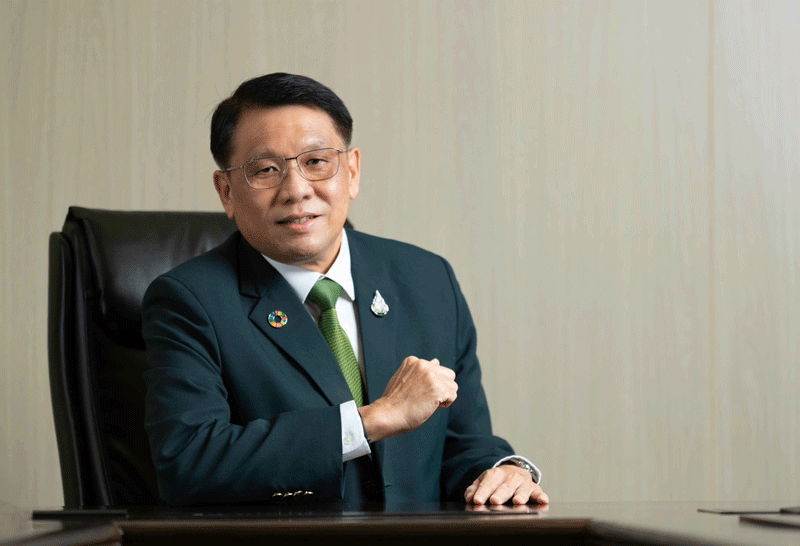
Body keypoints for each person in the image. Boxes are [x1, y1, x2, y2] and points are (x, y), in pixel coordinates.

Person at [142, 73, 548, 507]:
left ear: (352, 172)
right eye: (266, 170)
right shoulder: (190, 301)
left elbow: (461, 446)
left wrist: (505, 472)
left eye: (317, 162)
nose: (297, 190)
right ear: (226, 192)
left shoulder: (427, 280)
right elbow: (189, 463)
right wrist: (371, 421)